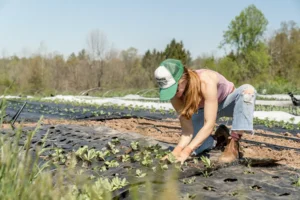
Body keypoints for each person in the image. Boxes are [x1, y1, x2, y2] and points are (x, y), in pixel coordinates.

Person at [154, 59, 256, 164]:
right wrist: (177, 151)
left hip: (227, 103)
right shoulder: (175, 96)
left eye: (175, 89)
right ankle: (219, 138)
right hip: (203, 110)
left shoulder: (205, 80)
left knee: (248, 91)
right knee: (196, 145)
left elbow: (209, 124)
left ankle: (233, 144)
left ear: (183, 78)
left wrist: (187, 151)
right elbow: (187, 131)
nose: (174, 94)